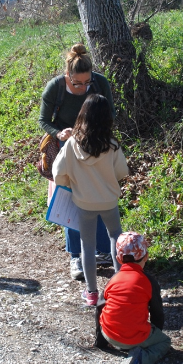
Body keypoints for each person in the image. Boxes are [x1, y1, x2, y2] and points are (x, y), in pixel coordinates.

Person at [39, 44, 116, 280]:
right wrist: (59, 133)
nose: (83, 88)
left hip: (96, 145)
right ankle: (76, 255)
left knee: (99, 196)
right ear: (68, 76)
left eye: (87, 83)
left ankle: (102, 251)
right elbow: (43, 120)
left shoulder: (100, 82)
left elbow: (109, 113)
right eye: (77, 83)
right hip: (67, 149)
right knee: (70, 199)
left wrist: (95, 133)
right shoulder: (55, 87)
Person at [52, 94, 129, 306]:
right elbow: (122, 172)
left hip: (83, 202)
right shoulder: (112, 145)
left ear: (82, 115)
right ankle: (121, 289)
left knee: (87, 244)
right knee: (115, 237)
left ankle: (92, 293)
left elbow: (58, 172)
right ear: (107, 118)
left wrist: (70, 182)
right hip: (108, 201)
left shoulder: (72, 144)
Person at [95, 231, 170, 364]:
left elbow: (99, 308)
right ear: (146, 256)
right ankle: (140, 360)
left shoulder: (113, 280)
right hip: (135, 338)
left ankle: (122, 345)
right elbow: (157, 313)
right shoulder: (148, 281)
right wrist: (157, 333)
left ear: (118, 259)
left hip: (108, 335)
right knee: (165, 342)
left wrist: (101, 341)